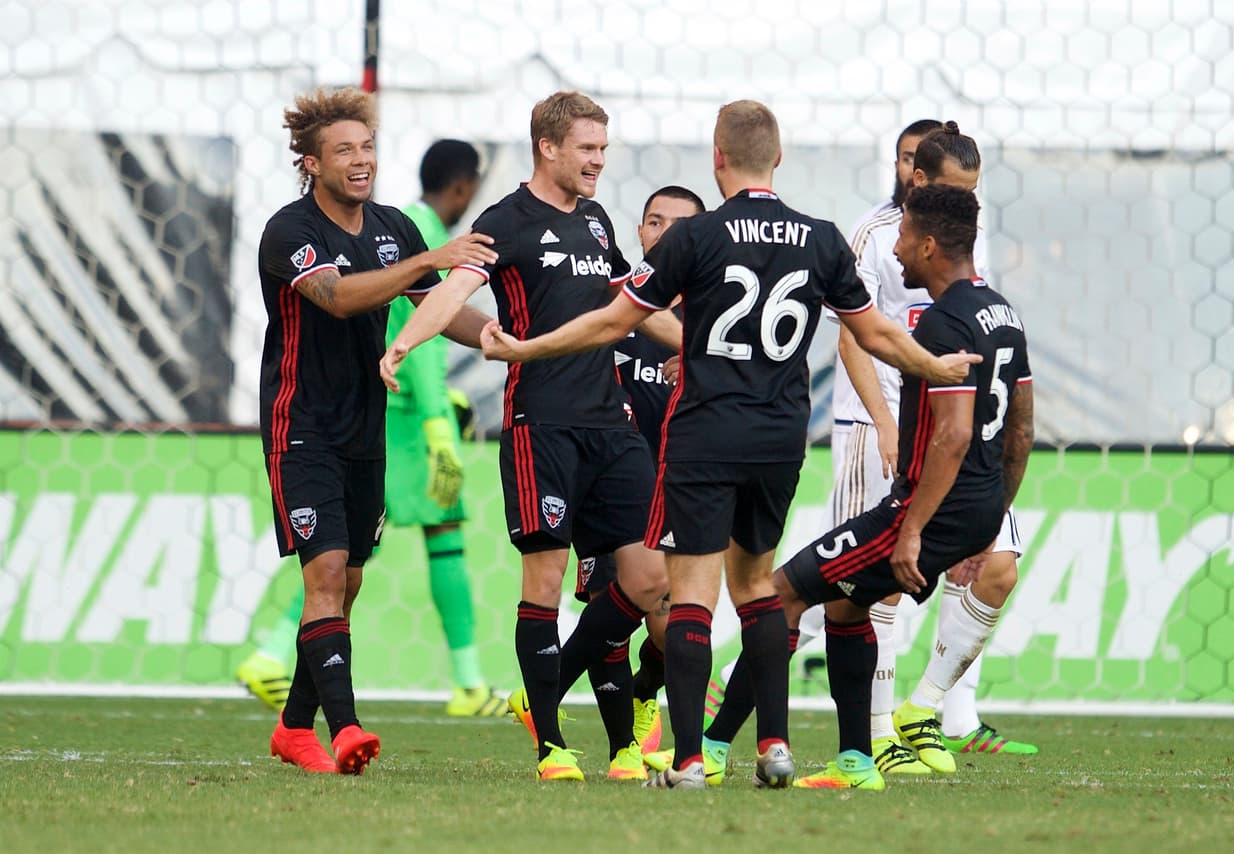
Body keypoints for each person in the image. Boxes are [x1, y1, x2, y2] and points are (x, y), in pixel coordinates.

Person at [480, 100, 979, 790]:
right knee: (757, 590)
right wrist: (936, 367)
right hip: (779, 438)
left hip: (705, 434)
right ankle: (772, 744)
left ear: (717, 158)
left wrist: (527, 346)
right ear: (779, 159)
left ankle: (688, 758)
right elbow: (877, 335)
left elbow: (611, 320)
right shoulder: (821, 237)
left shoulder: (697, 237)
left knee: (691, 596)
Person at [380, 91, 677, 783]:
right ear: (548, 147)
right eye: (587, 149)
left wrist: (703, 349)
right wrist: (404, 346)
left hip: (611, 425)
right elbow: (453, 292)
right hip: (539, 425)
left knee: (651, 574)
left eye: (603, 149)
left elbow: (631, 303)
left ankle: (547, 689)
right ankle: (551, 746)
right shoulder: (504, 221)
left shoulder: (599, 221)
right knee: (543, 582)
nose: (599, 161)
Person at [710, 182, 1035, 791]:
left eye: (907, 235)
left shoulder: (944, 323)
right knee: (848, 602)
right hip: (973, 509)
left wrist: (911, 530)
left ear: (931, 244)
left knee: (779, 596)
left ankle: (712, 747)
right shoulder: (1003, 313)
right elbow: (1021, 429)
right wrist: (991, 518)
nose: (900, 245)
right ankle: (857, 760)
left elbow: (955, 436)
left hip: (921, 513)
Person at [257, 86, 496, 774]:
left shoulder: (394, 225)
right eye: (344, 151)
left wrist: (505, 338)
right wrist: (428, 261)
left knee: (349, 580)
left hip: (367, 428)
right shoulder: (291, 231)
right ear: (311, 162)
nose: (361, 161)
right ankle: (347, 730)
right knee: (326, 571)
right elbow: (337, 298)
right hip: (300, 426)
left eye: (367, 147)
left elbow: (438, 309)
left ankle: (294, 728)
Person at [573, 186, 706, 766]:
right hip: (611, 480)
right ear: (640, 234)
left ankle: (643, 695)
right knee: (613, 602)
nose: (663, 233)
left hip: (682, 488)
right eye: (653, 222)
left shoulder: (712, 320)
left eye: (679, 226)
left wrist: (702, 370)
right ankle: (622, 747)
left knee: (666, 626)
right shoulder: (612, 313)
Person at [393, 139, 505, 716]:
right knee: (346, 551)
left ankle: (468, 682)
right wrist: (439, 425)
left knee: (351, 546)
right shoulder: (429, 233)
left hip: (402, 407)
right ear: (462, 189)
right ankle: (467, 683)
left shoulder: (402, 221)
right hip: (408, 419)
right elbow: (424, 331)